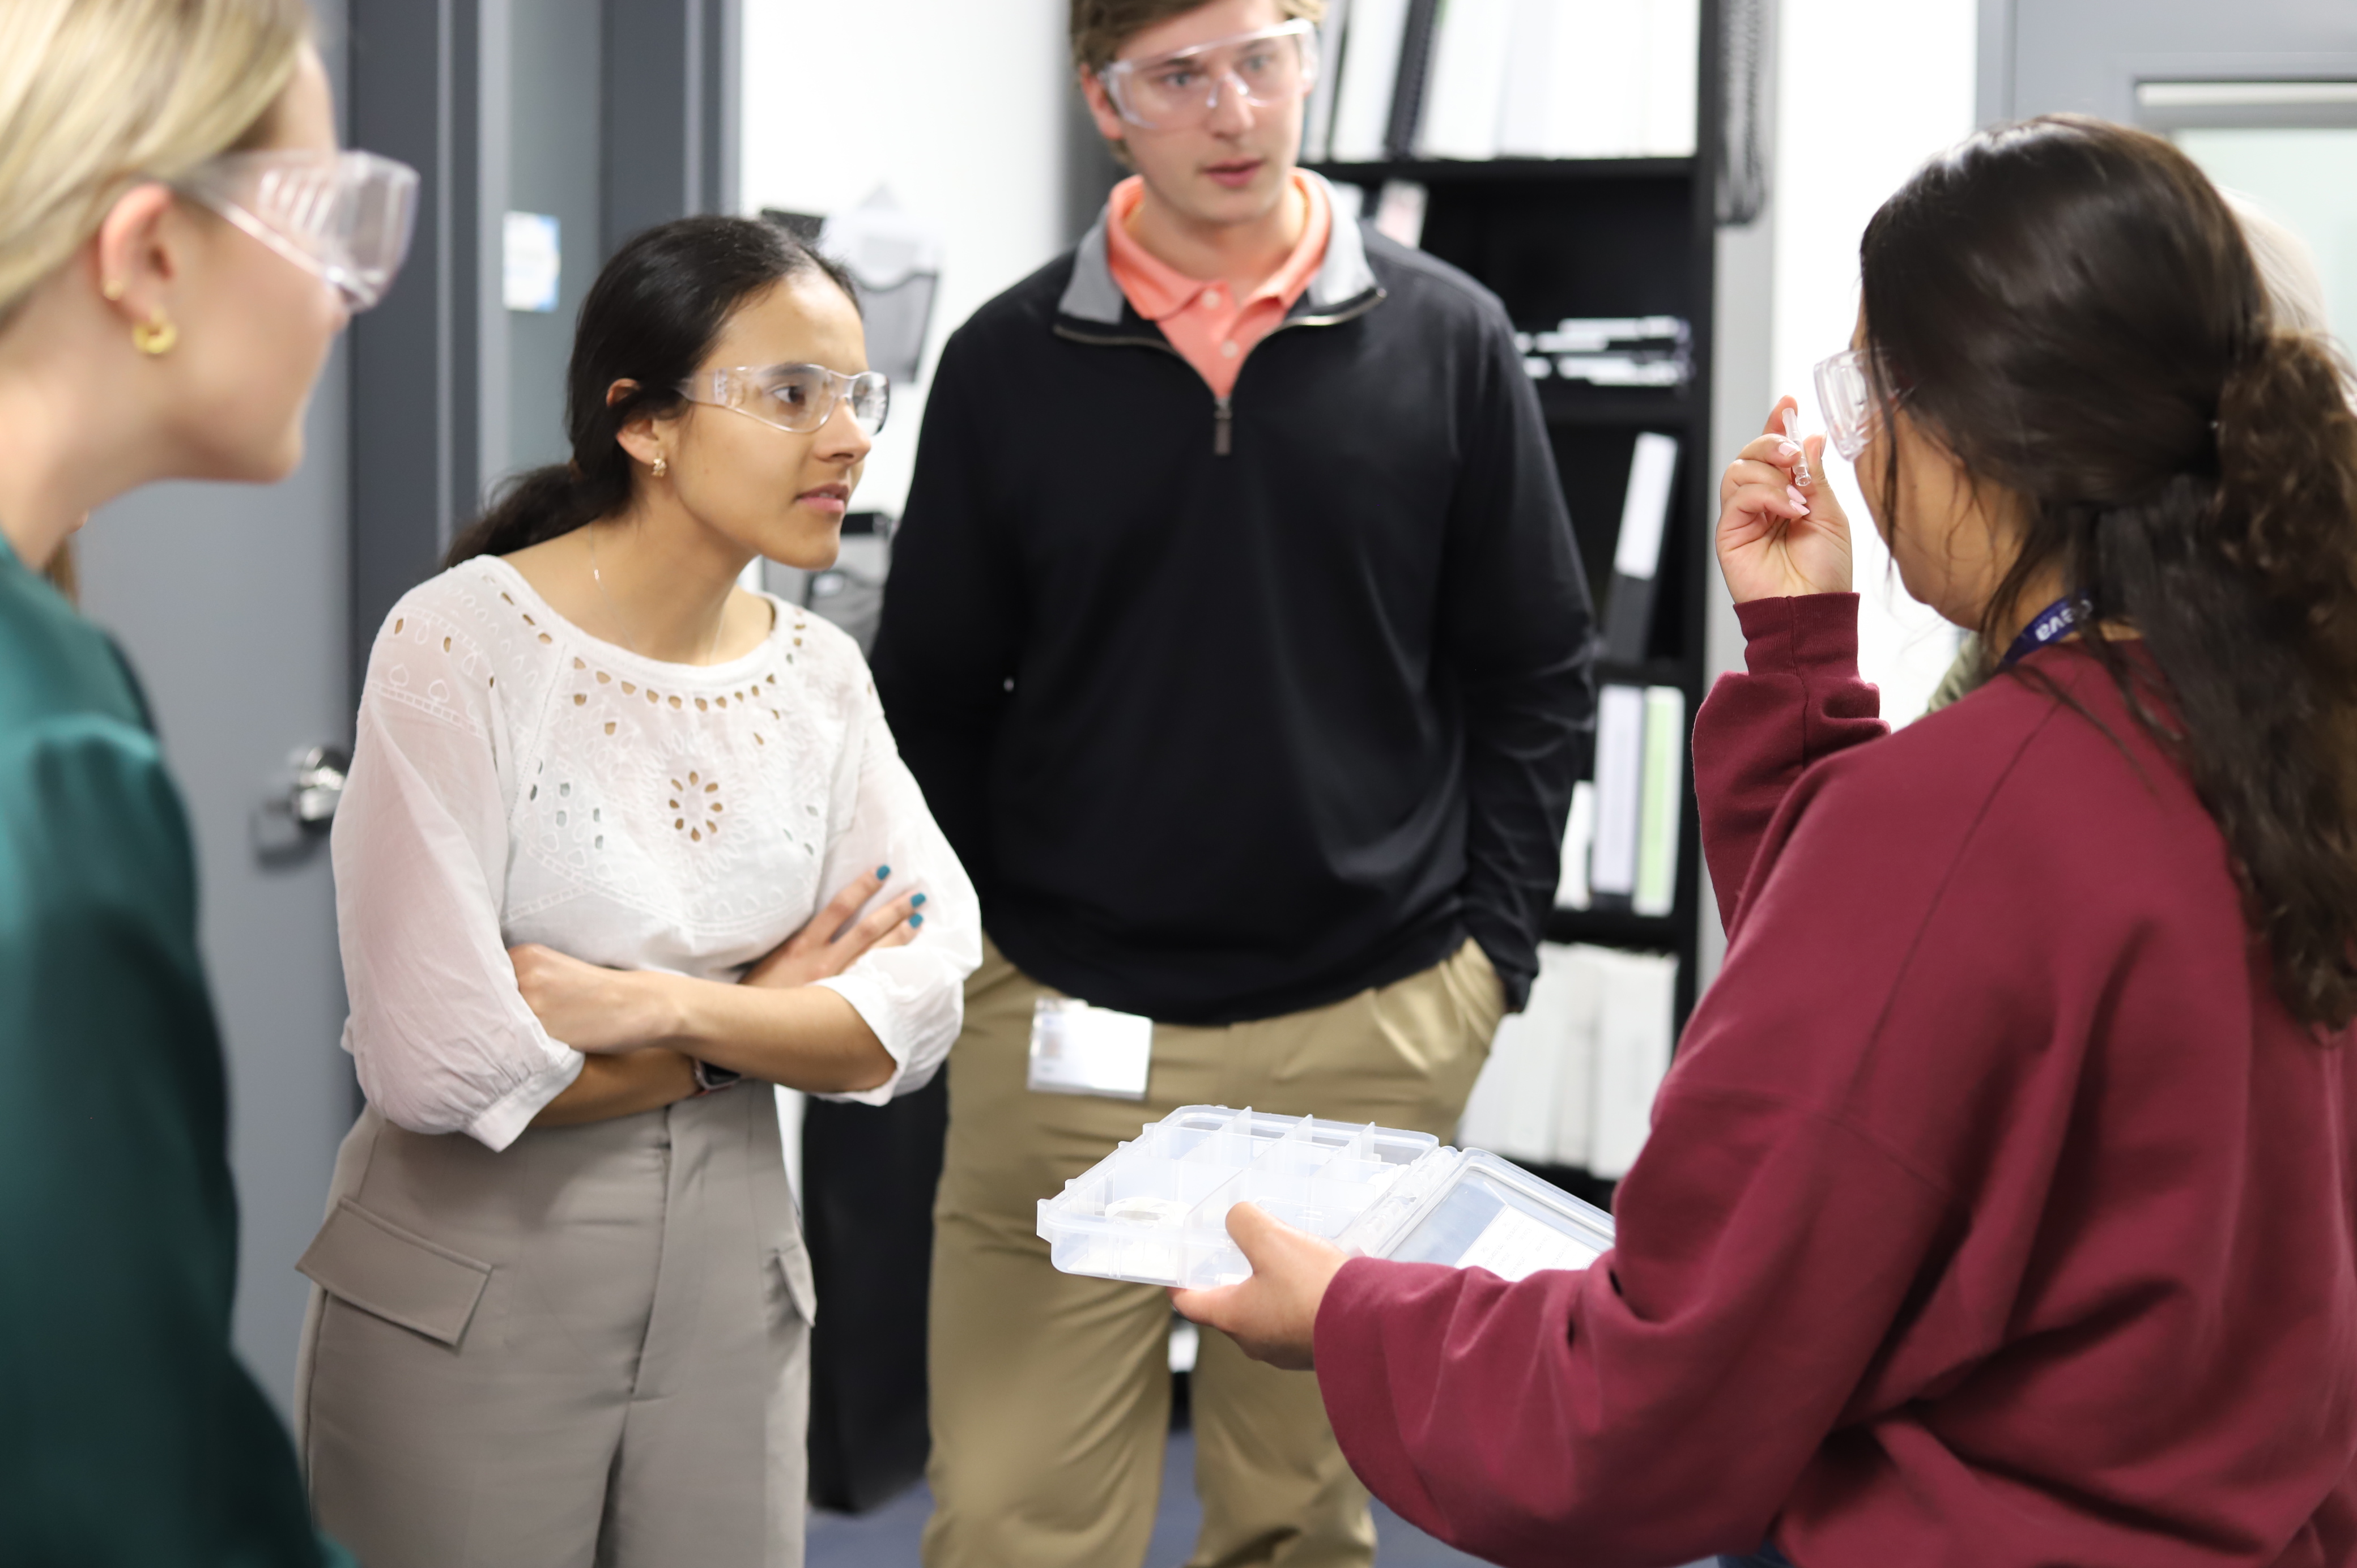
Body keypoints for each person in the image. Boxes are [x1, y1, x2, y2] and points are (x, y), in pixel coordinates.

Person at [1175, 115, 2357, 1567]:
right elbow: (1928, 1024)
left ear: (1972, 426)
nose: (1849, 436)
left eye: (1866, 385)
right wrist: (1801, 658)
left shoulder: (1970, 810)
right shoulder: (2275, 741)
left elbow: (1650, 1400)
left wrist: (1353, 1312)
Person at [870, 0, 1593, 1561]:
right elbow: (928, 693)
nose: (1233, 108)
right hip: (1065, 1019)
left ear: (1313, 53)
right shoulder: (1007, 360)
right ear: (1103, 101)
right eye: (1176, 76)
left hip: (1372, 1019)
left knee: (1300, 1521)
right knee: (1009, 1520)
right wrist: (985, 953)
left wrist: (1492, 961)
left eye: (1262, 56)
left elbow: (1535, 669)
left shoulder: (1450, 337)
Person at [297, 215, 981, 1567]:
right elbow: (445, 1072)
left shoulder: (819, 672)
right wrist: (760, 1022)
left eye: (857, 397)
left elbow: (919, 994)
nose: (846, 437)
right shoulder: (459, 646)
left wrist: (652, 1006)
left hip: (733, 1283)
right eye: (792, 395)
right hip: (469, 1290)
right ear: (644, 423)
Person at [0, 1, 412, 1560]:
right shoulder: (47, 752)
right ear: (148, 258)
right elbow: (98, 1473)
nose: (341, 298)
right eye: (321, 222)